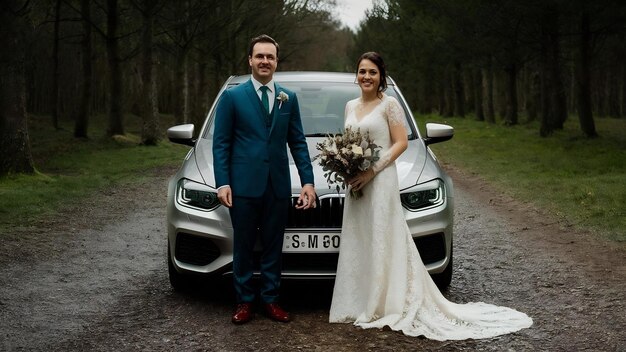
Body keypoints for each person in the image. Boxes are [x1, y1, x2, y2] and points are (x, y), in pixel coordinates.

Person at [329, 52, 532, 340]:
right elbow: (348, 143)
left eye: (372, 72)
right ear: (356, 74)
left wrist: (371, 172)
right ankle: (360, 299)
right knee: (361, 237)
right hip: (356, 184)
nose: (366, 77)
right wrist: (346, 166)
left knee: (383, 237)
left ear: (381, 76)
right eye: (362, 71)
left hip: (380, 180)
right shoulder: (350, 105)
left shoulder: (390, 105)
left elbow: (400, 144)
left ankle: (383, 302)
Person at [212, 34, 316, 325]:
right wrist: (223, 182)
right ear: (250, 60)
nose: (265, 61)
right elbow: (221, 143)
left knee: (273, 246)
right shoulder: (232, 97)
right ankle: (244, 301)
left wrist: (307, 181)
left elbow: (297, 142)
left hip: (277, 185)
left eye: (270, 57)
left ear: (276, 61)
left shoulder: (288, 98)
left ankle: (271, 300)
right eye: (260, 56)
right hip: (243, 186)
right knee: (244, 246)